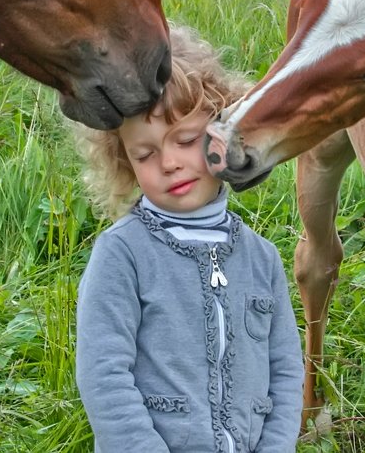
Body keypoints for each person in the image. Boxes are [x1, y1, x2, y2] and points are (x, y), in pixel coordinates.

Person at [73, 24, 304, 453]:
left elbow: (287, 370)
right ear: (123, 160)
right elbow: (103, 373)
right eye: (145, 153)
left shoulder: (262, 259)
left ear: (222, 131)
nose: (170, 163)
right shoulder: (123, 255)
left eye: (185, 139)